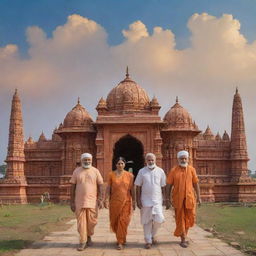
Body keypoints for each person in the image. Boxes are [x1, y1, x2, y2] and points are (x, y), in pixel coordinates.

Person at [166, 150, 201, 248]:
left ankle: (185, 235)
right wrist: (167, 199)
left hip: (190, 198)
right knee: (180, 218)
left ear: (188, 159)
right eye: (181, 158)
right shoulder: (174, 170)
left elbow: (196, 183)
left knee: (189, 217)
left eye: (185, 158)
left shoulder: (192, 170)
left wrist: (199, 196)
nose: (183, 160)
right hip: (178, 198)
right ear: (178, 159)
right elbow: (168, 185)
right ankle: (183, 238)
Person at [70, 153, 104, 251]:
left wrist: (101, 199)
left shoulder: (95, 171)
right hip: (79, 201)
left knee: (92, 222)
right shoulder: (76, 171)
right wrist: (71, 202)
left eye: (89, 160)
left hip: (92, 201)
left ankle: (89, 236)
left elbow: (100, 185)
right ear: (81, 161)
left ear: (91, 160)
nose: (87, 161)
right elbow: (72, 187)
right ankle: (82, 241)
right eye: (85, 160)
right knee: (81, 223)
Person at [134, 153, 166, 249]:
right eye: (149, 160)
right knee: (146, 221)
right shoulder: (142, 171)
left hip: (157, 200)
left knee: (159, 219)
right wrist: (138, 200)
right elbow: (138, 186)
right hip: (145, 200)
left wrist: (166, 198)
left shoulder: (160, 171)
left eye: (152, 160)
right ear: (146, 161)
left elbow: (163, 186)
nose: (151, 162)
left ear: (155, 160)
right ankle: (148, 240)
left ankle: (152, 234)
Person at [104, 157, 135, 250]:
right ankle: (121, 237)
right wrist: (106, 199)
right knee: (115, 222)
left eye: (122, 163)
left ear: (125, 164)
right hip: (114, 202)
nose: (120, 165)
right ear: (115, 165)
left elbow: (132, 189)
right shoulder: (111, 175)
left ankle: (120, 241)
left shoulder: (130, 175)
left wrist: (134, 201)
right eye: (118, 163)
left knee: (123, 221)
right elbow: (108, 187)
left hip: (126, 201)